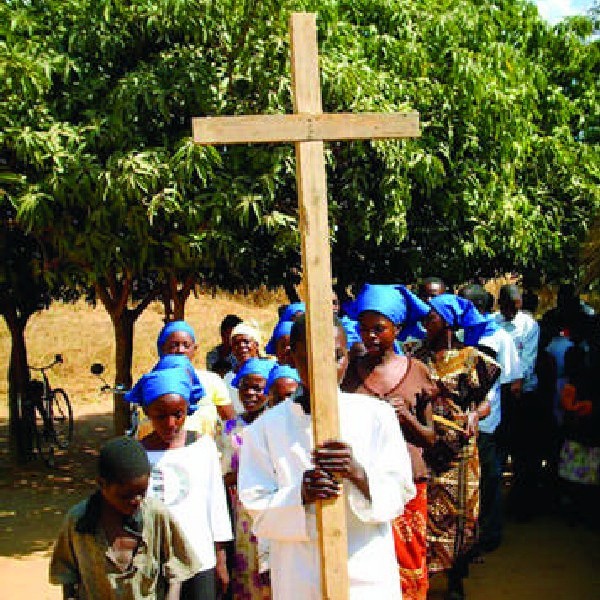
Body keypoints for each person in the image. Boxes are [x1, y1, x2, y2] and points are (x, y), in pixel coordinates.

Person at [238, 316, 416, 600]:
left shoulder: (376, 416)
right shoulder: (265, 429)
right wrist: (299, 494)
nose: (325, 367)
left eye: (336, 356)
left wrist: (357, 473)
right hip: (300, 572)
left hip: (365, 566)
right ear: (292, 357)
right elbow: (254, 505)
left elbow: (401, 489)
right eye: (311, 357)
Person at [341, 284, 435, 600]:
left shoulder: (417, 372)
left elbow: (431, 437)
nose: (370, 336)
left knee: (408, 562)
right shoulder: (349, 374)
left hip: (407, 483)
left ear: (396, 328)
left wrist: (406, 416)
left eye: (378, 329)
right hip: (361, 485)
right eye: (363, 328)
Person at [416, 294, 500, 600]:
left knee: (461, 516)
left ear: (449, 322)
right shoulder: (415, 355)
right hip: (425, 446)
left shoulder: (473, 359)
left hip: (460, 454)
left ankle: (455, 579)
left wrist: (474, 416)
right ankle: (423, 577)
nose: (426, 321)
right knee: (424, 514)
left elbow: (485, 405)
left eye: (432, 317)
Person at [50, 436, 202, 600]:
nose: (136, 501)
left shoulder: (156, 516)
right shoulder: (78, 522)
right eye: (125, 496)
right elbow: (67, 576)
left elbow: (176, 571)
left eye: (141, 493)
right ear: (102, 484)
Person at [127, 366, 233, 599]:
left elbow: (216, 505)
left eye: (178, 414)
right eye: (160, 416)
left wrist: (221, 558)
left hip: (201, 557)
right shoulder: (139, 454)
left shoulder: (203, 447)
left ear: (188, 409)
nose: (171, 423)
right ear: (147, 412)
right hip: (154, 560)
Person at [460, 284, 522, 553]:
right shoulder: (459, 334)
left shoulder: (498, 337)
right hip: (457, 423)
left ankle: (489, 533)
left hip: (486, 422)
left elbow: (512, 382)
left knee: (489, 477)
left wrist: (501, 421)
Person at [220, 358, 276, 600]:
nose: (251, 394)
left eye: (258, 388)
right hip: (240, 516)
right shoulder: (230, 428)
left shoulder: (276, 425)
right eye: (245, 387)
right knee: (245, 573)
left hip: (272, 511)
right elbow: (222, 476)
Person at [494, 284, 541, 520]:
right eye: (509, 306)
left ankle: (521, 506)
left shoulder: (530, 326)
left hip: (522, 395)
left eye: (517, 305)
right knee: (499, 448)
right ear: (500, 304)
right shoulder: (494, 322)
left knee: (522, 450)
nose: (514, 310)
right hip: (499, 392)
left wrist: (515, 383)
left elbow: (528, 360)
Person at [157, 320, 236, 434]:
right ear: (162, 348)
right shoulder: (154, 384)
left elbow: (230, 421)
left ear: (195, 349)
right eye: (174, 345)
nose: (180, 350)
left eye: (186, 345)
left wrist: (232, 443)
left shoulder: (212, 381)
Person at [557, 346, 600, 526]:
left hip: (581, 435)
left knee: (577, 479)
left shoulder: (575, 380)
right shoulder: (578, 380)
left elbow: (567, 405)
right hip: (585, 435)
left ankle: (578, 512)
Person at [224, 321, 262, 414]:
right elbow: (228, 417)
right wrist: (230, 428)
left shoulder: (269, 373)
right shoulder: (228, 378)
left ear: (256, 345)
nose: (241, 346)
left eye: (246, 342)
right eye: (236, 343)